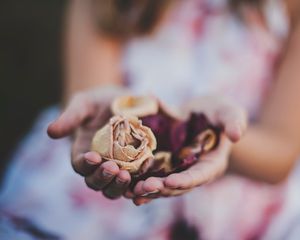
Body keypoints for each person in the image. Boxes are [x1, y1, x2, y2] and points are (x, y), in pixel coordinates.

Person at [1, 0, 300, 239]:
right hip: (95, 213)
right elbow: (83, 104)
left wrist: (211, 137)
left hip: (233, 210)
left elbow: (281, 151)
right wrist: (98, 121)